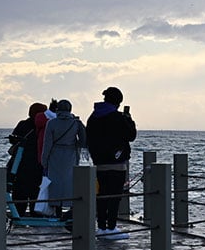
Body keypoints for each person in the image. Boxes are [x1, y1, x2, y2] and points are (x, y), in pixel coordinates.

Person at [85, 86, 137, 238]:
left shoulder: (93, 117)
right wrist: (129, 119)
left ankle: (101, 226)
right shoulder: (118, 117)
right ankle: (111, 227)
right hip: (116, 163)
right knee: (115, 196)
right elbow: (131, 135)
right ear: (118, 102)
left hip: (99, 162)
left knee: (102, 195)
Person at [39, 99, 86, 219]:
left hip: (55, 154)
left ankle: (57, 210)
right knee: (70, 181)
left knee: (54, 183)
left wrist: (44, 161)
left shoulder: (51, 123)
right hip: (71, 155)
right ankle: (71, 208)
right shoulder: (76, 123)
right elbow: (83, 141)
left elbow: (47, 144)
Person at [6, 102, 46, 216]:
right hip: (38, 165)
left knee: (19, 196)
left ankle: (17, 218)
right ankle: (36, 217)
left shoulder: (23, 124)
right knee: (36, 196)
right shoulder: (45, 125)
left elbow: (13, 139)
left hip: (20, 164)